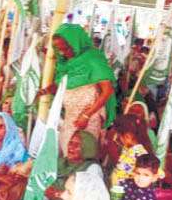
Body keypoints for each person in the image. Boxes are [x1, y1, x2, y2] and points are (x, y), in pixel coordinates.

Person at [37, 23, 116, 155]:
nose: (62, 52)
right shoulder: (65, 63)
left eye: (66, 48)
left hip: (90, 119)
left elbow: (107, 91)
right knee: (68, 152)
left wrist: (86, 115)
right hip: (69, 119)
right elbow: (60, 84)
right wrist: (44, 91)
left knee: (84, 153)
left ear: (76, 43)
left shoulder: (93, 60)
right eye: (59, 49)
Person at [13, 131, 101, 200]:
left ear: (87, 148)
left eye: (76, 145)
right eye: (70, 143)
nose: (71, 148)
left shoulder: (92, 168)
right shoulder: (61, 163)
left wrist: (57, 194)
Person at [110, 114, 159, 188]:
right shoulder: (128, 149)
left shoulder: (139, 153)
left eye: (119, 135)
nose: (118, 138)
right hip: (119, 188)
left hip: (129, 191)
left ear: (128, 136)